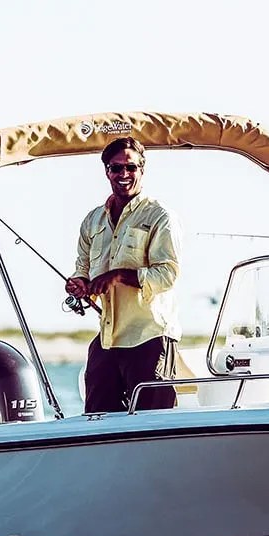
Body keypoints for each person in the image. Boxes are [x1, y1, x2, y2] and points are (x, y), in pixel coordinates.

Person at [65, 138, 182, 413]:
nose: (124, 174)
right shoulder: (92, 220)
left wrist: (118, 276)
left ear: (142, 169)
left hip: (150, 336)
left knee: (152, 423)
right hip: (107, 339)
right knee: (97, 419)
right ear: (107, 171)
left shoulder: (161, 216)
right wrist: (80, 284)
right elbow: (82, 267)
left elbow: (167, 274)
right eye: (116, 168)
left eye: (131, 167)